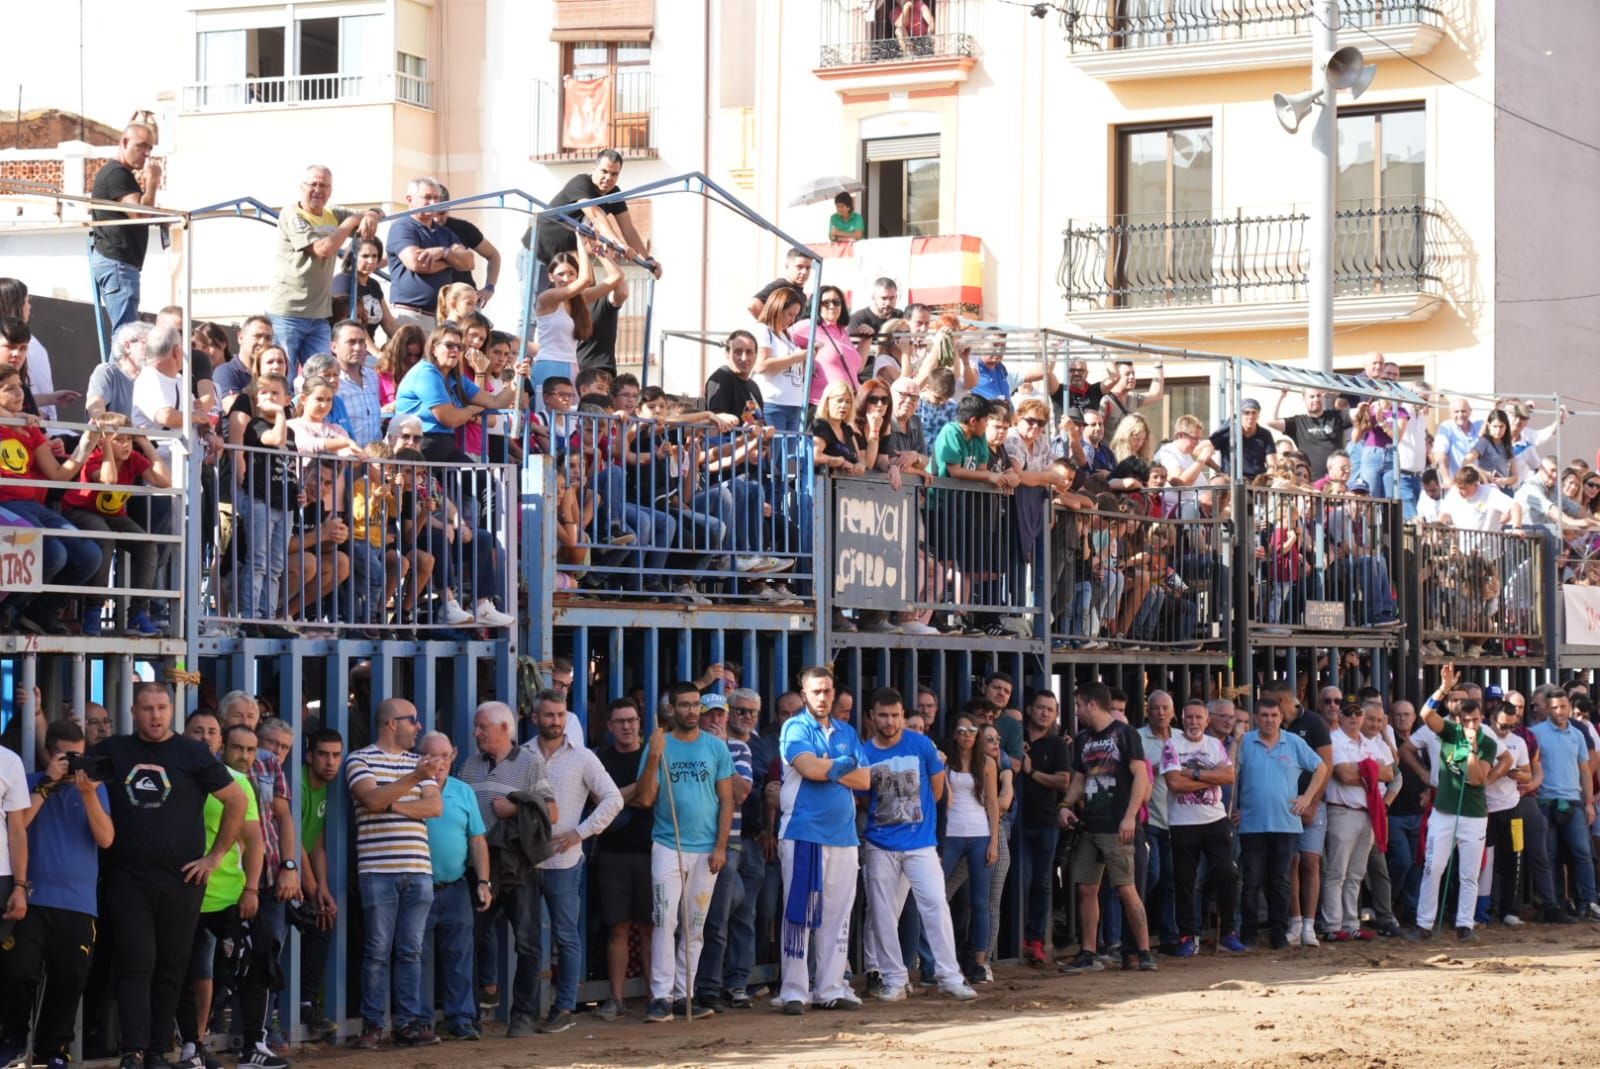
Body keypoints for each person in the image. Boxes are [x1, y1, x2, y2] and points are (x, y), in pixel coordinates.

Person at [90, 683, 247, 1069]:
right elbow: (69, 763)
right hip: (127, 880)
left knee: (172, 967)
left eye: (162, 707)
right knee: (135, 964)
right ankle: (133, 1050)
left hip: (182, 882)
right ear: (133, 711)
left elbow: (237, 800)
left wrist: (215, 857)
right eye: (147, 708)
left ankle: (159, 1050)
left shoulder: (192, 752)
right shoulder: (115, 750)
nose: (155, 715)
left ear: (172, 710)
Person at [0, 720, 112, 1069]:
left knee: (69, 978)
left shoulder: (94, 790)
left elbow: (106, 839)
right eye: (66, 757)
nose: (73, 765)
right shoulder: (30, 781)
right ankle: (13, 1038)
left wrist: (88, 794)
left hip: (78, 903)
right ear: (48, 754)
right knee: (17, 972)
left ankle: (54, 1048)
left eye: (79, 757)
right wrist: (47, 784)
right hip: (31, 898)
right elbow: (19, 825)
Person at [172, 717, 279, 1069]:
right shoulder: (172, 775)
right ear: (184, 736)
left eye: (212, 732)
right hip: (181, 896)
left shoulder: (236, 782)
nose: (205, 737)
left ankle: (254, 1046)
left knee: (257, 959)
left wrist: (251, 889)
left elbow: (255, 841)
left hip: (230, 894)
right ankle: (192, 1048)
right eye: (197, 731)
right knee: (186, 974)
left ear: (220, 742)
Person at [859, 687, 976, 1002]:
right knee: (882, 913)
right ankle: (894, 979)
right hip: (880, 843)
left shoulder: (922, 744)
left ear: (902, 715)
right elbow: (865, 798)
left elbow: (937, 792)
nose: (890, 721)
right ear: (872, 717)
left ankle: (949, 976)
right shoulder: (865, 753)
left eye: (895, 715)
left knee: (935, 905)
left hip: (920, 843)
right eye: (883, 715)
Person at [344, 698, 446, 1048]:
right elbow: (371, 800)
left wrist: (393, 803)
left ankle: (407, 1024)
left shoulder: (417, 762)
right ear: (391, 723)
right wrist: (413, 782)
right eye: (412, 720)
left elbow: (434, 806)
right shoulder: (360, 759)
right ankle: (373, 1025)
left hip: (418, 870)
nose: (418, 727)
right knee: (377, 950)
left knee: (410, 951)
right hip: (378, 870)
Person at [454, 701, 556, 1038]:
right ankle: (467, 1016)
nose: (476, 733)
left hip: (518, 866)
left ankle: (522, 1015)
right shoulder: (469, 766)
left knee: (527, 943)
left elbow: (552, 812)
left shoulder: (529, 763)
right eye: (476, 726)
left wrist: (515, 809)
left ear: (504, 729)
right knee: (469, 940)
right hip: (478, 867)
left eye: (482, 727)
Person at [633, 682, 734, 1023]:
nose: (692, 711)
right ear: (671, 709)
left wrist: (721, 846)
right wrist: (654, 756)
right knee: (664, 920)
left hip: (706, 850)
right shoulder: (659, 745)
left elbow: (727, 801)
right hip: (667, 844)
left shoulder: (716, 747)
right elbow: (645, 798)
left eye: (695, 705)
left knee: (695, 925)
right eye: (685, 705)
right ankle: (661, 996)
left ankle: (683, 994)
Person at [774, 665, 870, 1014]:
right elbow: (809, 769)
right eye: (816, 691)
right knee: (799, 915)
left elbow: (865, 780)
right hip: (804, 833)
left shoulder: (847, 731)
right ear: (804, 695)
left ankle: (830, 988)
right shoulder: (794, 727)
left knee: (838, 916)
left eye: (827, 691)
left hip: (844, 836)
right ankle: (794, 991)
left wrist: (830, 765)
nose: (823, 697)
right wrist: (845, 764)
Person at [529, 689, 622, 1033]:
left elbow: (613, 799)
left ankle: (565, 1006)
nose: (556, 721)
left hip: (564, 862)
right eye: (549, 715)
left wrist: (579, 833)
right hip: (525, 863)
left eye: (560, 714)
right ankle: (523, 1007)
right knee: (525, 938)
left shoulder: (582, 757)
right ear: (535, 717)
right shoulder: (522, 754)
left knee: (566, 936)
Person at [1057, 683, 1157, 974]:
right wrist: (1065, 804)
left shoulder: (1125, 733)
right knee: (1087, 888)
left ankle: (1144, 951)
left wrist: (1130, 817)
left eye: (1078, 705)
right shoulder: (1083, 739)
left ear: (1091, 704)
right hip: (1091, 825)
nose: (1076, 711)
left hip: (1117, 826)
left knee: (1126, 888)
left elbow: (1141, 777)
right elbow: (1079, 778)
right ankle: (1088, 951)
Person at [1407, 668, 1509, 941]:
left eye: (1475, 720)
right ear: (1459, 720)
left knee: (1469, 873)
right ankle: (1424, 924)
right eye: (1466, 721)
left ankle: (1465, 925)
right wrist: (1443, 688)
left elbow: (1476, 779)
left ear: (1481, 718)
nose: (1471, 725)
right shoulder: (1450, 732)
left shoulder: (1487, 742)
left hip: (1473, 815)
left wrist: (1472, 749)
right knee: (1433, 867)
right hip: (1444, 811)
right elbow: (1426, 715)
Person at [1235, 695, 1331, 948]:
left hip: (1286, 824)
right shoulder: (1245, 742)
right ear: (1256, 718)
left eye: (1274, 716)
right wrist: (1233, 808)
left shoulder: (1294, 742)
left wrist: (1307, 798)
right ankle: (1248, 934)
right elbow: (1232, 774)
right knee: (1251, 882)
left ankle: (1278, 934)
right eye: (1264, 715)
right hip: (1252, 824)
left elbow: (1321, 768)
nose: (1269, 720)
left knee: (1280, 881)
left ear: (1281, 718)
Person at [267, 165, 383, 368]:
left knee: (324, 375)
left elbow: (376, 212)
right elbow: (323, 249)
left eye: (324, 186)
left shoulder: (332, 213)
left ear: (331, 191)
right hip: (288, 314)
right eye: (313, 184)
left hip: (319, 314)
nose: (318, 190)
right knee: (284, 375)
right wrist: (350, 223)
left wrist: (372, 214)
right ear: (301, 187)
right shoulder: (292, 213)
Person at [417, 731, 490, 1042]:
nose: (440, 762)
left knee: (459, 956)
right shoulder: (412, 788)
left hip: (456, 886)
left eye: (445, 756)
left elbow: (477, 840)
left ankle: (461, 1019)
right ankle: (421, 1023)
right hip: (419, 887)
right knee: (417, 957)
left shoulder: (463, 791)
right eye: (433, 756)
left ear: (454, 755)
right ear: (420, 757)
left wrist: (484, 881)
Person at [1160, 698, 1246, 954]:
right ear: (1182, 719)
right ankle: (1188, 936)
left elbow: (1228, 776)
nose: (1194, 722)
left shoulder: (1214, 745)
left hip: (1215, 820)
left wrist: (1193, 773)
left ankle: (1228, 932)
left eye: (1199, 717)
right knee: (1185, 881)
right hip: (1182, 823)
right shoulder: (1172, 745)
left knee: (1227, 873)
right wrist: (1212, 779)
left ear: (1207, 720)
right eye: (1189, 717)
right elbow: (1174, 784)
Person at [592, 699, 654, 1021]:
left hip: (651, 852)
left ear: (640, 722)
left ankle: (656, 996)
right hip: (612, 853)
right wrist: (636, 791)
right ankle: (616, 999)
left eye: (631, 720)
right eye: (620, 721)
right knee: (617, 928)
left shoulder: (651, 756)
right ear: (610, 726)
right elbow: (599, 802)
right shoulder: (600, 760)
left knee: (649, 928)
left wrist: (617, 797)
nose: (627, 726)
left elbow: (650, 798)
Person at [1318, 701, 1393, 941]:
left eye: (1357, 713)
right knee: (1337, 872)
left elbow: (1389, 773)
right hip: (1343, 811)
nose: (1353, 717)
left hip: (1366, 812)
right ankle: (1332, 925)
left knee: (1356, 873)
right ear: (1340, 716)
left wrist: (1361, 769)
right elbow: (1343, 775)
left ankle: (1350, 923)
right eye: (1348, 713)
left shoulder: (1369, 742)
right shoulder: (1334, 740)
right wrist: (1371, 770)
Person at [1267, 678, 1333, 949]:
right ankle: (1294, 922)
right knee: (1290, 863)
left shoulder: (1314, 722)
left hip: (1311, 804)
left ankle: (1309, 924)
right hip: (1284, 807)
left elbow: (1327, 765)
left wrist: (1313, 802)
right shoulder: (1273, 726)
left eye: (1272, 703)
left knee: (1310, 862)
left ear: (1282, 701)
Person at [529, 150, 660, 280]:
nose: (608, 178)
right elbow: (596, 216)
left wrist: (648, 259)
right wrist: (620, 244)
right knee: (540, 294)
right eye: (604, 171)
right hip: (538, 251)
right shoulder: (580, 183)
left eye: (614, 174)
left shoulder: (615, 194)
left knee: (587, 288)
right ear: (594, 168)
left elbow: (628, 229)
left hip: (565, 259)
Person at [1529, 686, 1600, 921]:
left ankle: (1588, 902)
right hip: (1545, 802)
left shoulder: (1577, 734)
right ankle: (1555, 903)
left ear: (1569, 707)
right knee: (1549, 855)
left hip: (1573, 801)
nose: (1559, 711)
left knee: (1583, 853)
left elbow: (1585, 771)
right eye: (1554, 707)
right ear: (1548, 709)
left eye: (1563, 706)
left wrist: (1588, 803)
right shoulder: (1535, 733)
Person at [1017, 689, 1071, 965]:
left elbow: (1063, 781)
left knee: (1042, 882)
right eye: (1040, 707)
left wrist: (1032, 772)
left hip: (1047, 822)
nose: (1044, 713)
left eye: (1050, 709)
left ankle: (1036, 940)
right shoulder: (1017, 738)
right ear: (1029, 709)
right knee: (1021, 881)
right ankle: (1015, 938)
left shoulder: (1058, 744)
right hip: (1017, 822)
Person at [89, 123, 161, 330]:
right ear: (125, 142)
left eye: (150, 148)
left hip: (118, 263)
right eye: (142, 146)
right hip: (118, 263)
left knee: (127, 333)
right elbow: (140, 214)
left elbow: (141, 212)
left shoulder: (120, 174)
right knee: (127, 334)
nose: (147, 153)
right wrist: (152, 181)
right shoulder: (117, 174)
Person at [387, 178, 473, 332]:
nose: (433, 202)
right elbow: (417, 263)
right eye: (427, 197)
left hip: (439, 316)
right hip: (411, 315)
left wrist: (443, 252)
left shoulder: (444, 232)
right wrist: (452, 261)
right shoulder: (402, 227)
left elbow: (469, 262)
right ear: (410, 199)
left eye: (436, 198)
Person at [531, 243, 596, 397]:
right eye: (560, 274)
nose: (566, 278)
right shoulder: (546, 298)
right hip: (549, 364)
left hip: (572, 366)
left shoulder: (579, 300)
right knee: (547, 411)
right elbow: (587, 279)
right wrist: (580, 240)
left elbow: (616, 278)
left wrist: (602, 253)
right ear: (550, 276)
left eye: (571, 273)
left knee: (572, 412)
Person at [793, 285, 866, 405]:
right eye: (825, 303)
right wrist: (805, 362)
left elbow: (858, 368)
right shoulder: (808, 326)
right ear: (816, 305)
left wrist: (867, 339)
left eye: (836, 302)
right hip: (820, 403)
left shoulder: (843, 331)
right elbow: (782, 339)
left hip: (848, 403)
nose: (832, 306)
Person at [751, 287, 807, 432]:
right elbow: (761, 365)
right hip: (772, 403)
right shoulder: (763, 330)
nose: (792, 320)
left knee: (789, 447)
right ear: (778, 308)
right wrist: (795, 358)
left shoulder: (786, 335)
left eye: (795, 316)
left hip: (793, 403)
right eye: (790, 314)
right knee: (773, 446)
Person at [1266, 389, 1352, 480]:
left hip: (1334, 481)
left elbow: (1358, 414)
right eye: (1312, 397)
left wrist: (1339, 392)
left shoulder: (1336, 417)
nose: (1316, 399)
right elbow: (1270, 421)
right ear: (1304, 398)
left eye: (1319, 396)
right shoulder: (1298, 423)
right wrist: (1281, 396)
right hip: (1308, 481)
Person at [748, 248, 814, 319]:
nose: (804, 272)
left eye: (808, 268)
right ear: (787, 266)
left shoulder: (802, 295)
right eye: (799, 267)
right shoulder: (780, 286)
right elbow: (753, 305)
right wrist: (771, 324)